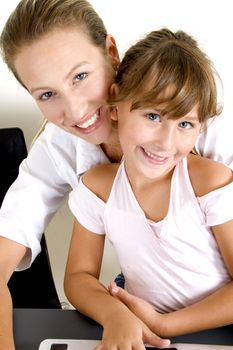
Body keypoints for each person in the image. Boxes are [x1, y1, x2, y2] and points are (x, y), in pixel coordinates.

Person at [0, 0, 232, 349]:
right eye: (47, 94)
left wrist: (163, 321)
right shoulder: (65, 156)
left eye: (80, 77)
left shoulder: (204, 126)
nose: (75, 110)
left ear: (110, 52)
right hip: (137, 302)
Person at [64, 28, 233, 350]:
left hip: (217, 333)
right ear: (115, 105)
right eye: (153, 116)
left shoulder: (209, 183)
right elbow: (78, 276)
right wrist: (116, 316)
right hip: (142, 331)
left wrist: (162, 323)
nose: (166, 143)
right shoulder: (97, 188)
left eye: (185, 124)